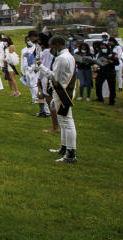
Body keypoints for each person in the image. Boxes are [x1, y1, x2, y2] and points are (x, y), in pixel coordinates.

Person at [41, 35, 77, 163]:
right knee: (63, 122)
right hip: (62, 90)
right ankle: (64, 147)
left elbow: (55, 77)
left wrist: (42, 68)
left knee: (67, 122)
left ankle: (71, 153)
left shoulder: (62, 58)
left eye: (51, 47)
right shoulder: (69, 56)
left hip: (62, 92)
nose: (51, 50)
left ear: (56, 45)